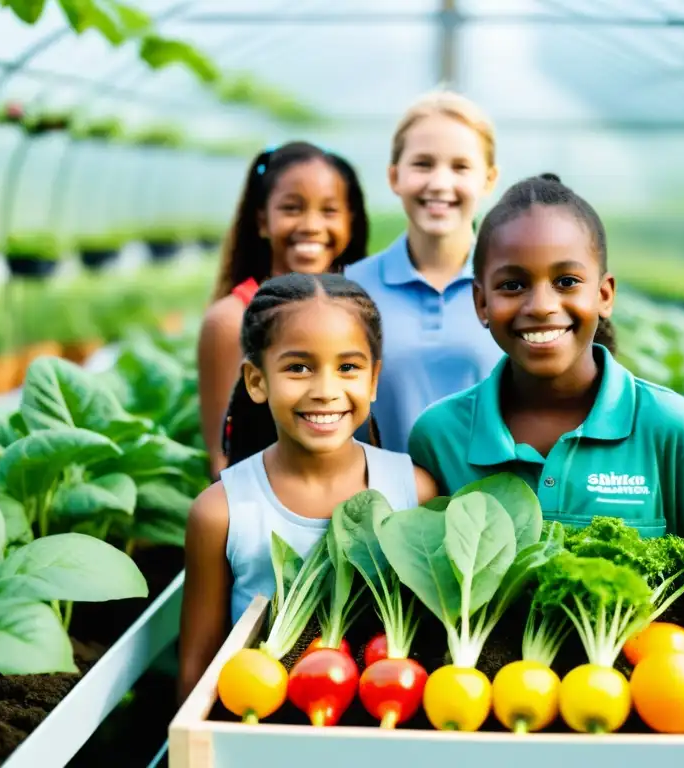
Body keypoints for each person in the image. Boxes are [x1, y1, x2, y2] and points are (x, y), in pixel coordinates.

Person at [407, 173, 684, 706]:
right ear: (480, 302)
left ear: (605, 294)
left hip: (645, 719)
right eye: (512, 285)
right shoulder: (439, 435)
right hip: (484, 720)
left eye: (567, 281)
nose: (541, 305)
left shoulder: (672, 428)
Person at [179, 272, 438, 703]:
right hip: (260, 734)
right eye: (298, 368)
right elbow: (197, 668)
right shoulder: (221, 511)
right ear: (256, 381)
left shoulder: (414, 492)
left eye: (348, 368)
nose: (325, 391)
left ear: (373, 380)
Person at [198, 142, 370, 479]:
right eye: (292, 208)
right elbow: (222, 459)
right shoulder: (231, 320)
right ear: (262, 220)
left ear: (351, 223)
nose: (310, 224)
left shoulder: (363, 312)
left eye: (329, 211)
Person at [345, 90, 504, 453]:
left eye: (460, 167)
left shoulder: (518, 287)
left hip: (494, 507)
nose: (440, 183)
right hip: (380, 504)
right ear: (394, 176)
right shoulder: (351, 290)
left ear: (489, 179)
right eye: (423, 164)